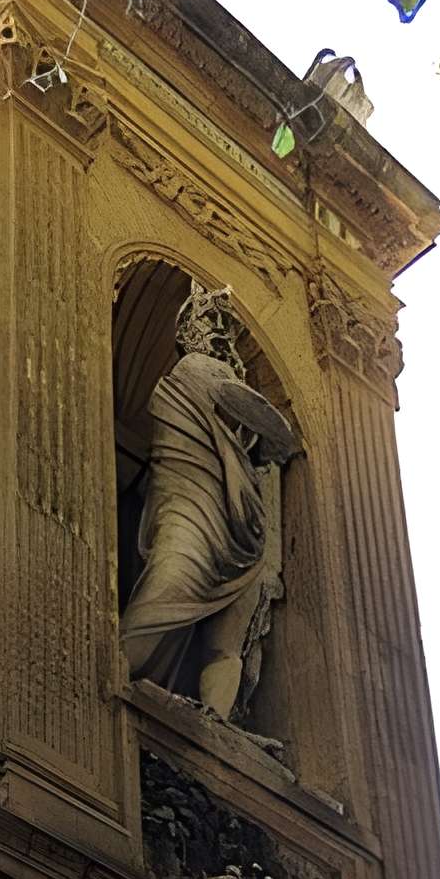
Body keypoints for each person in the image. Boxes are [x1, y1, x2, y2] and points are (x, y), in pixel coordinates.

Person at [120, 286, 299, 722]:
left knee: (225, 642)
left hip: (230, 518)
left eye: (226, 329)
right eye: (212, 325)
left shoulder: (215, 375)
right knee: (168, 590)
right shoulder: (197, 368)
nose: (222, 335)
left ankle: (214, 720)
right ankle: (116, 676)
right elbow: (265, 423)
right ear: (191, 333)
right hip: (194, 508)